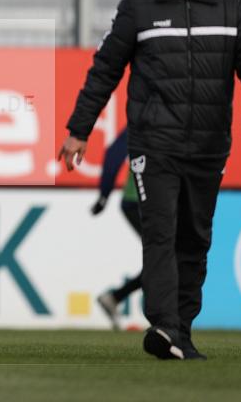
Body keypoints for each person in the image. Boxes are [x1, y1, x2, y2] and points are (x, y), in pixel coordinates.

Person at [58, 0, 241, 360]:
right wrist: (80, 129)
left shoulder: (232, 1)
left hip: (209, 144)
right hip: (154, 144)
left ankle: (182, 331)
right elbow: (104, 70)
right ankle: (164, 325)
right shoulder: (139, 3)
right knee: (160, 233)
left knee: (195, 239)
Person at [91, 128, 142, 330]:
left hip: (154, 202)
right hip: (138, 201)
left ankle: (114, 297)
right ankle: (166, 320)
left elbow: (114, 153)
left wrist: (104, 196)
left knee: (167, 258)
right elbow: (114, 154)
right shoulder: (148, 114)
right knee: (166, 258)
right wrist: (104, 194)